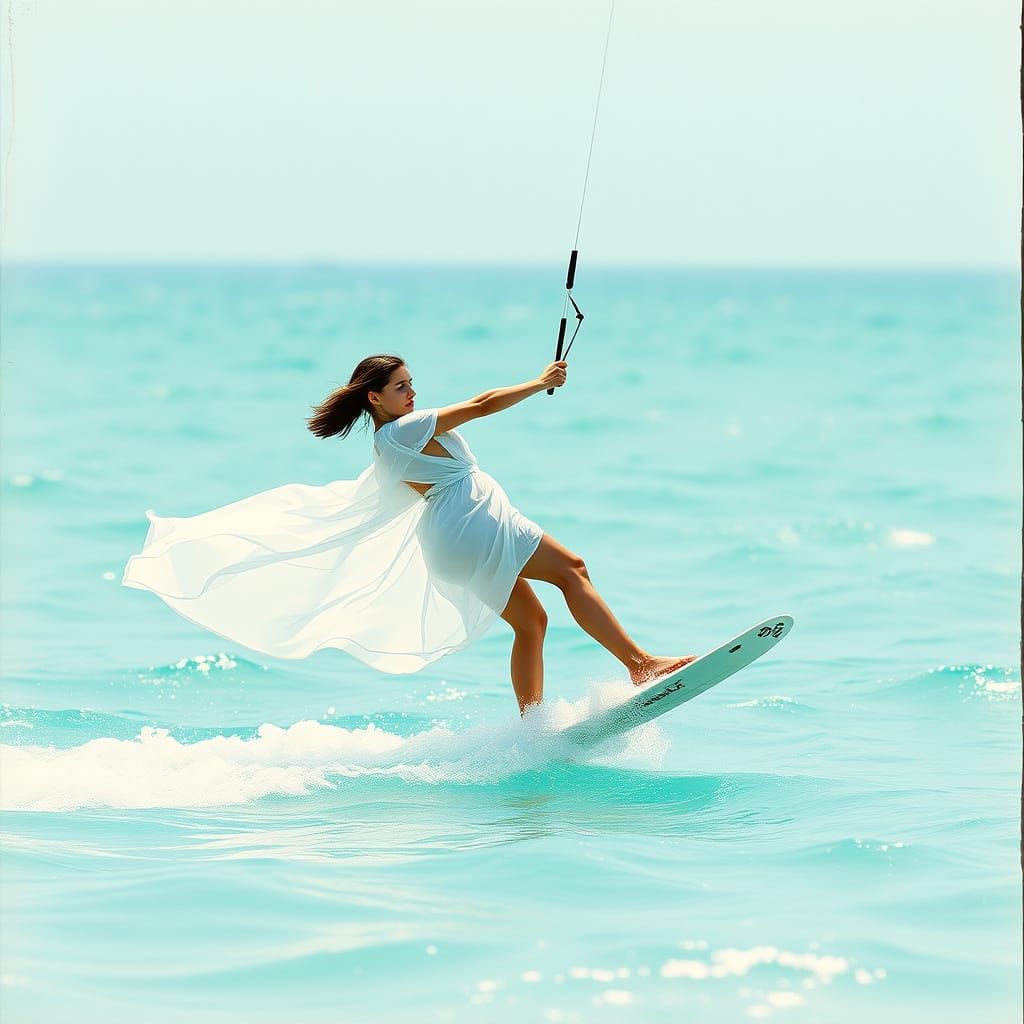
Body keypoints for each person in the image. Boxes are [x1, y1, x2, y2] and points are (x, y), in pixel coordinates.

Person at [123, 353, 694, 715]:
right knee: (573, 570)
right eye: (401, 387)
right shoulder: (405, 429)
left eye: (411, 384)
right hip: (472, 524)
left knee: (532, 622)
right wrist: (540, 381)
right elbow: (482, 405)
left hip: (452, 541)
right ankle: (639, 663)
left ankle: (533, 727)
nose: (412, 394)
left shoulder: (384, 445)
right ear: (375, 398)